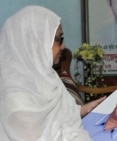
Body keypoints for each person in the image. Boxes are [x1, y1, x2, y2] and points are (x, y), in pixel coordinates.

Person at [0, 5, 104, 141]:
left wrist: (83, 110)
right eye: (58, 39)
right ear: (35, 41)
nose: (63, 46)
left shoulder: (49, 77)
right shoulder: (15, 97)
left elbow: (62, 115)